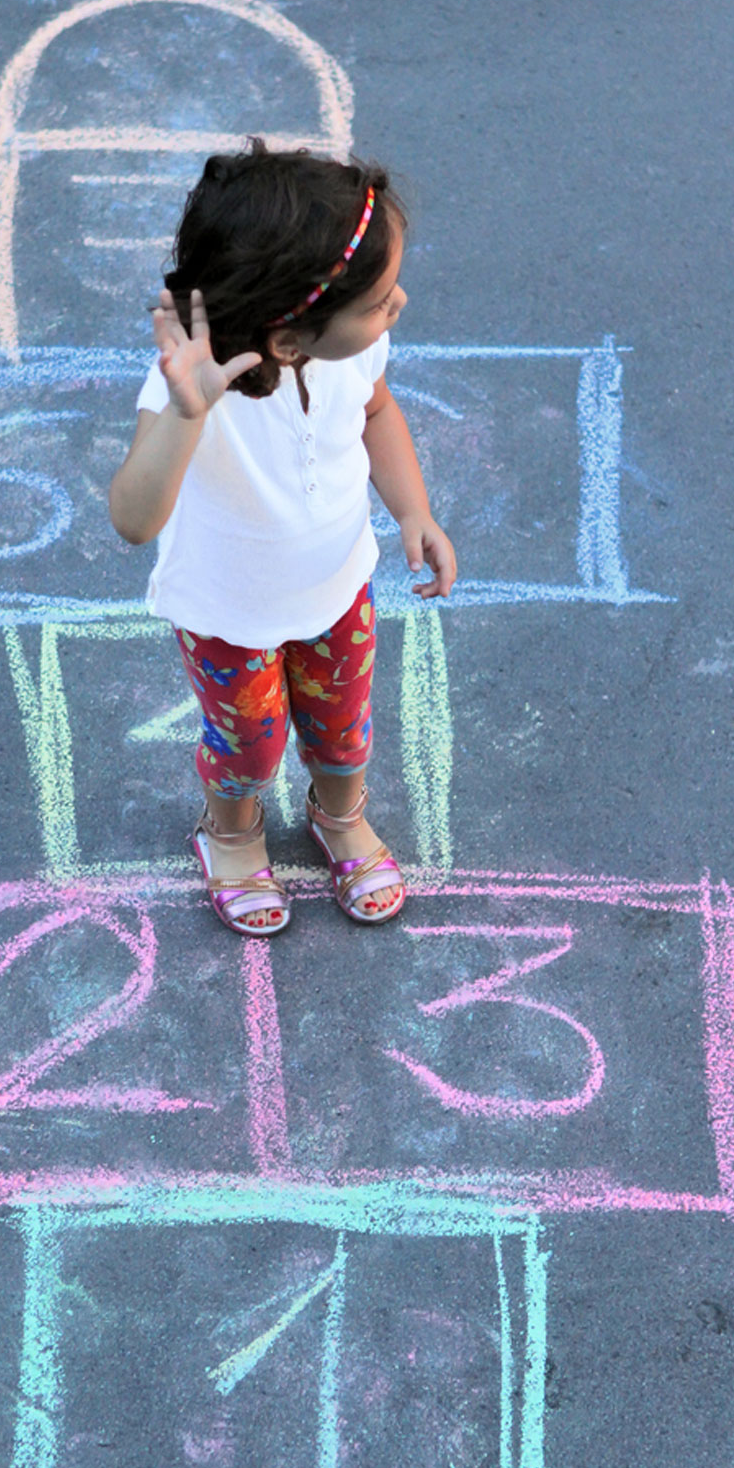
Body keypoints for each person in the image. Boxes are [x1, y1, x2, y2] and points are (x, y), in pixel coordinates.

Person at [109, 140, 456, 937]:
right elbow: (133, 519)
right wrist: (187, 416)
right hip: (228, 612)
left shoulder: (352, 352)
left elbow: (375, 412)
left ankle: (339, 817)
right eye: (376, 301)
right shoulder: (191, 390)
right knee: (249, 747)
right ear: (293, 336)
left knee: (344, 726)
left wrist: (412, 509)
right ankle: (230, 834)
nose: (396, 304)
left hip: (338, 587)